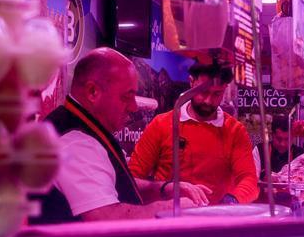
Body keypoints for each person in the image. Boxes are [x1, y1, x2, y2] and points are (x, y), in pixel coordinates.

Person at [40, 48, 210, 223]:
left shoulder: (89, 128)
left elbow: (111, 184)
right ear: (93, 92)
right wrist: (173, 208)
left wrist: (165, 190)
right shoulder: (75, 142)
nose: (134, 107)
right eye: (126, 97)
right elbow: (106, 219)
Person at [130, 63, 259, 205]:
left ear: (225, 89)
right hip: (167, 218)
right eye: (203, 92)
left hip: (215, 220)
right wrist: (166, 189)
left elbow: (249, 180)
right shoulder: (161, 124)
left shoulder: (235, 131)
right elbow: (132, 179)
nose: (208, 101)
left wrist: (232, 200)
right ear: (191, 82)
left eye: (217, 94)